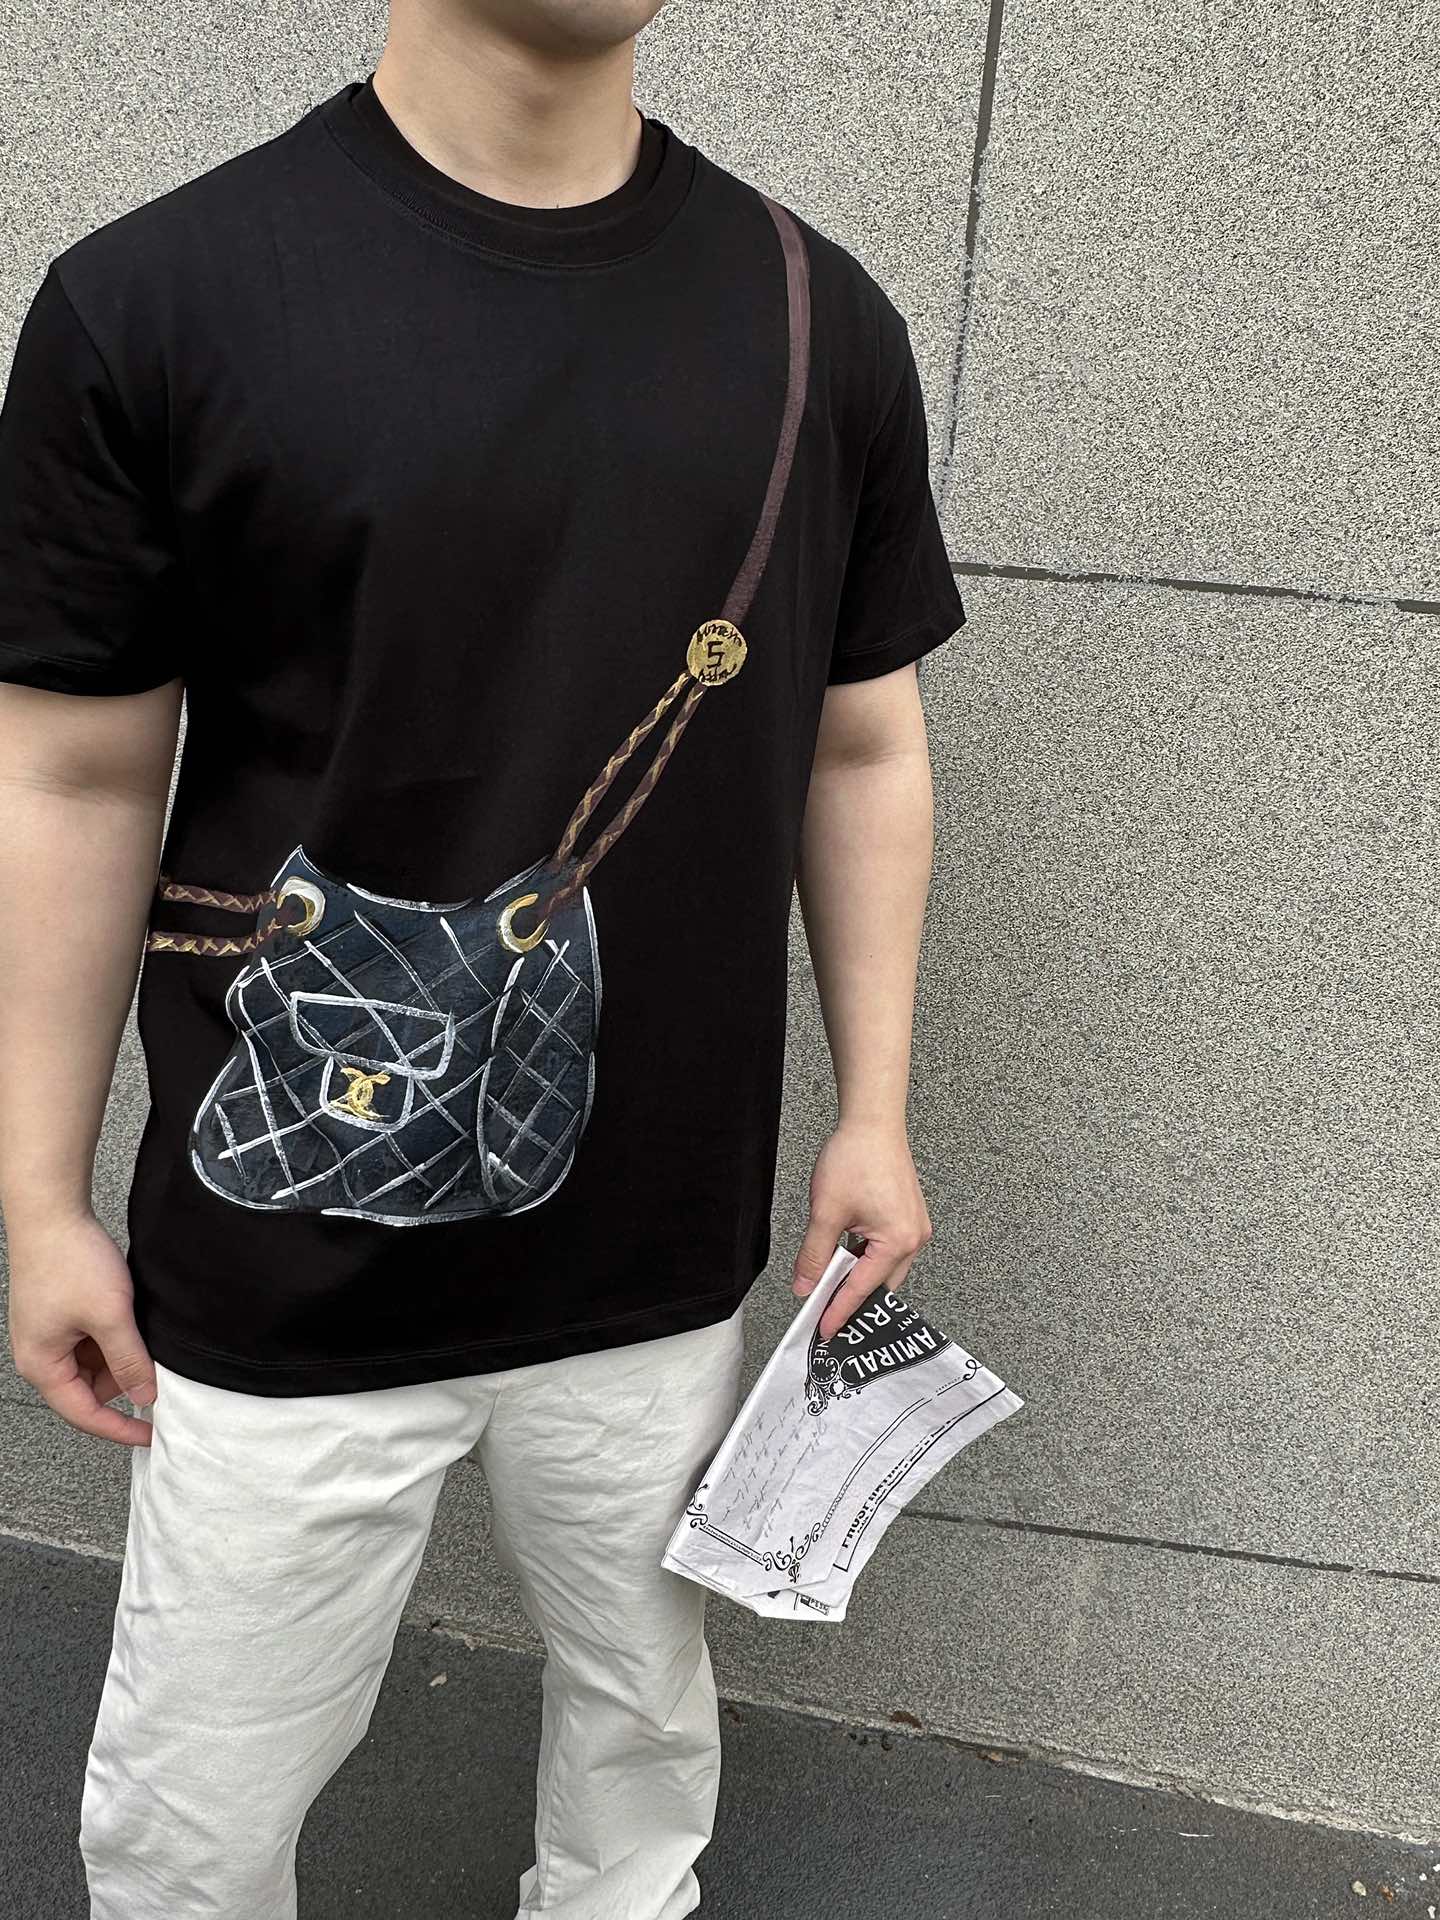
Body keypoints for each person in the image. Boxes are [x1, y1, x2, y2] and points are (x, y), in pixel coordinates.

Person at [0, 2, 964, 1915]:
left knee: (641, 1754)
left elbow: (862, 744)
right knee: (194, 1814)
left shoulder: (815, 321)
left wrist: (877, 1111)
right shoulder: (161, 301)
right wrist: (36, 1195)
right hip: (282, 1247)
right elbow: (71, 771)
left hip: (657, 1250)